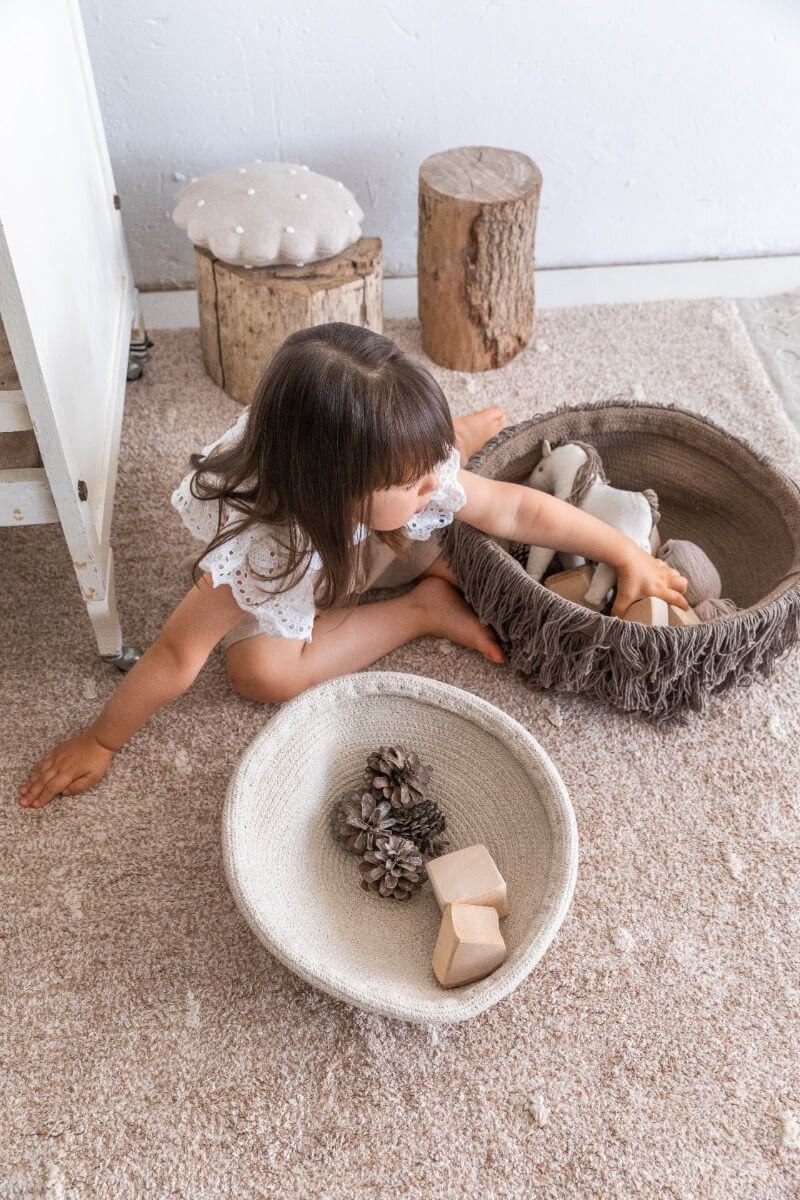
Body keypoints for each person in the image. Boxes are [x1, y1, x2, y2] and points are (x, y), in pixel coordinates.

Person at [18, 322, 688, 809]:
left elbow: (518, 513)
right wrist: (101, 741)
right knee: (257, 671)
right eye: (416, 473)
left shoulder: (407, 478)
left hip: (355, 490)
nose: (436, 483)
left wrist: (626, 553)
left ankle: (450, 433)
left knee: (454, 508)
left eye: (434, 464)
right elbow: (174, 653)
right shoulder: (267, 546)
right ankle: (420, 608)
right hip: (312, 531)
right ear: (342, 489)